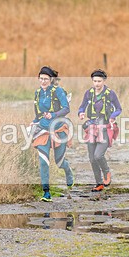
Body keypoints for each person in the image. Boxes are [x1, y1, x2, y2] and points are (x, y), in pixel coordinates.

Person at [31, 66, 74, 202]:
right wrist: (34, 122)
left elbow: (67, 108)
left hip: (58, 129)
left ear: (51, 79)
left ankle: (68, 172)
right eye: (41, 78)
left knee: (59, 162)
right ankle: (46, 192)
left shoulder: (58, 91)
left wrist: (54, 114)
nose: (43, 81)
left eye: (46, 79)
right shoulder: (37, 93)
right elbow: (38, 113)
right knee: (43, 161)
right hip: (43, 130)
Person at [78, 69, 122, 192]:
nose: (97, 83)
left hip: (105, 127)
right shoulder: (89, 93)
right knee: (92, 158)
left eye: (99, 81)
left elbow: (119, 108)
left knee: (98, 155)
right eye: (95, 81)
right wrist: (81, 113)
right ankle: (99, 184)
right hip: (91, 128)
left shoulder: (110, 93)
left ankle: (107, 173)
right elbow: (82, 106)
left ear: (104, 81)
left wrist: (113, 116)